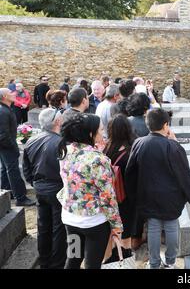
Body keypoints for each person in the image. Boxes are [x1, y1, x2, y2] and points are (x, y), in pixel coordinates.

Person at [125, 109, 190, 269]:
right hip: (170, 196)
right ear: (166, 125)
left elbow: (130, 172)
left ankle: (154, 263)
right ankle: (171, 262)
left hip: (147, 194)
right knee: (171, 226)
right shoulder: (173, 147)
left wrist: (133, 194)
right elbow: (184, 174)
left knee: (153, 227)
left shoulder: (139, 143)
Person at [57, 113, 123, 269]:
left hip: (70, 217)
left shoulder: (65, 151)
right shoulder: (98, 159)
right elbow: (107, 197)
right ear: (90, 134)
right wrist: (116, 226)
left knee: (73, 258)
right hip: (94, 223)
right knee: (92, 264)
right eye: (100, 129)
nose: (103, 133)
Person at [22, 108, 67, 269]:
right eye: (61, 118)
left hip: (41, 188)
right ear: (57, 122)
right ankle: (55, 264)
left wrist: (35, 184)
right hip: (56, 189)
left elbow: (26, 170)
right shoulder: (61, 142)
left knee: (43, 226)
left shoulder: (32, 140)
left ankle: (45, 261)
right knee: (57, 229)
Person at [103, 115, 137, 258]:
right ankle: (125, 258)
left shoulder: (106, 149)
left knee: (113, 231)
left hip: (110, 197)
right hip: (127, 199)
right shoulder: (131, 151)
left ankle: (114, 258)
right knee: (126, 233)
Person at [0, 88, 35, 206]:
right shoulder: (3, 111)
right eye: (10, 93)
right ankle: (20, 198)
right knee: (13, 171)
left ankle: (7, 193)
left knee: (6, 170)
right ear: (4, 97)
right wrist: (13, 147)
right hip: (7, 147)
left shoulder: (5, 109)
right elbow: (3, 135)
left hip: (5, 147)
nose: (14, 94)